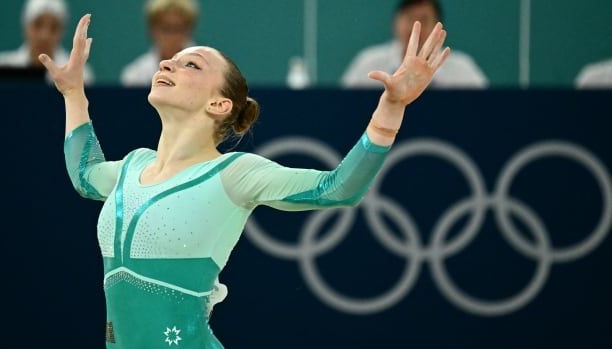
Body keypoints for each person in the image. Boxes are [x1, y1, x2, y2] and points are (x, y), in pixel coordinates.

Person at [40, 13, 450, 348]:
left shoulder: (234, 174)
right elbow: (84, 175)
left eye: (191, 64)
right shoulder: (131, 166)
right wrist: (73, 93)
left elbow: (338, 188)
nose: (167, 64)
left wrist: (392, 107)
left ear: (220, 104)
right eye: (171, 60)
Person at [342, 0, 486, 89]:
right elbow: (344, 106)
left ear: (439, 27)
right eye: (409, 18)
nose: (415, 27)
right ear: (395, 23)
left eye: (424, 19)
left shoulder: (463, 70)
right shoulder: (368, 64)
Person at [0, 0, 94, 84]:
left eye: (53, 27)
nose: (44, 36)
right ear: (25, 26)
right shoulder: (2, 66)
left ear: (62, 32)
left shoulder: (80, 74)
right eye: (38, 24)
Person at [120, 0, 199, 87]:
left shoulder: (204, 73)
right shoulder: (135, 76)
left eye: (178, 28)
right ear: (152, 30)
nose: (172, 36)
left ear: (189, 30)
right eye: (166, 28)